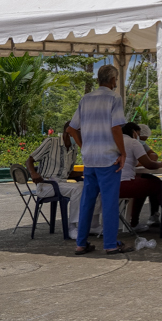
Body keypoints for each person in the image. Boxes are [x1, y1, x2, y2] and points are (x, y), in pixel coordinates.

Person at [67, 65, 127, 255]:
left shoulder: (86, 98)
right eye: (116, 79)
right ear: (112, 80)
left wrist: (83, 145)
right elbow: (116, 128)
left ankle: (81, 243)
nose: (116, 83)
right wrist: (123, 153)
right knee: (109, 202)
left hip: (90, 158)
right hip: (108, 157)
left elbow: (71, 128)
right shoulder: (114, 98)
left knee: (87, 201)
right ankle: (110, 244)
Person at [26, 121, 99, 238]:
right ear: (69, 132)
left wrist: (90, 174)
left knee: (94, 187)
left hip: (62, 184)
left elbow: (68, 173)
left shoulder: (74, 148)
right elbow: (29, 160)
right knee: (79, 189)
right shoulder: (51, 142)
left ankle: (93, 225)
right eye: (80, 133)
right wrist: (33, 173)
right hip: (47, 185)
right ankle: (73, 227)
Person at [118, 122, 162, 232]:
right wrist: (161, 164)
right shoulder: (133, 142)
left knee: (144, 182)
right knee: (160, 185)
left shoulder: (114, 141)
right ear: (134, 132)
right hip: (125, 185)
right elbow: (149, 164)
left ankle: (135, 222)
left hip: (109, 185)